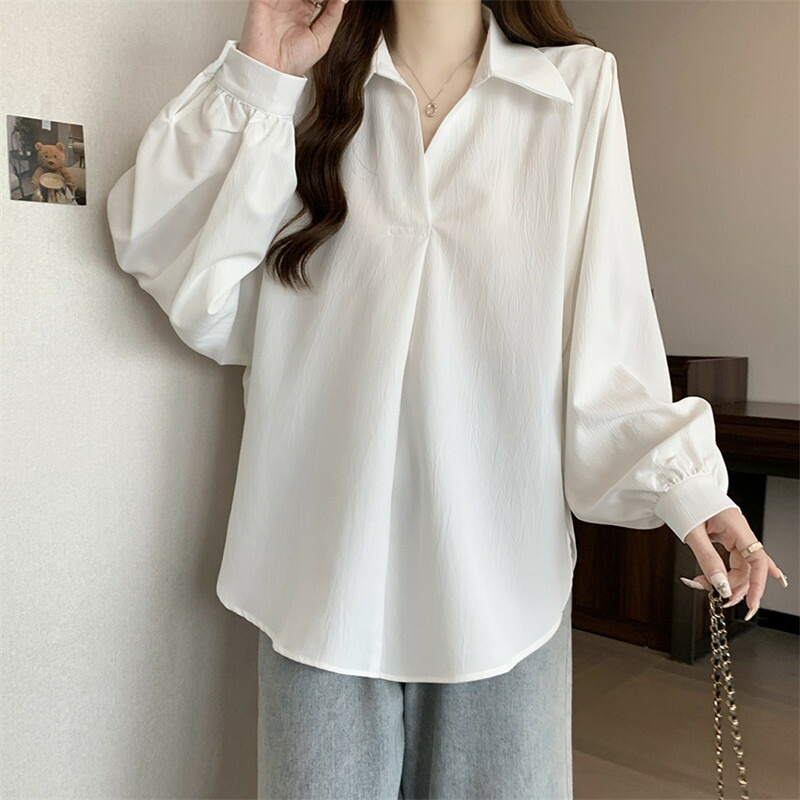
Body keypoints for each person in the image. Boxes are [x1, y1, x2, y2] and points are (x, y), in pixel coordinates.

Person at [106, 0, 789, 797]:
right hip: (320, 565)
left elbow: (609, 328)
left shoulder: (574, 88)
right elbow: (184, 275)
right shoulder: (309, 84)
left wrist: (689, 488)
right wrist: (263, 74)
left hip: (498, 575)